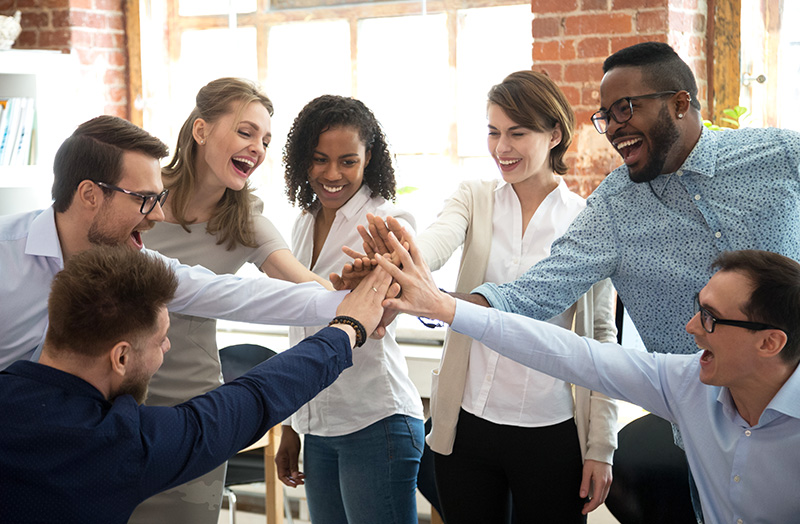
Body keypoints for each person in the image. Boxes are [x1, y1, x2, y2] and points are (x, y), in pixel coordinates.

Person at [358, 41, 800, 521]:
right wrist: (427, 293)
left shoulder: (780, 155)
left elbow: (595, 337)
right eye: (605, 115)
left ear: (679, 102)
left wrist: (599, 445)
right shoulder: (613, 207)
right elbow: (539, 304)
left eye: (625, 109)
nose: (613, 128)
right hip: (706, 420)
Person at [376, 234, 800, 524]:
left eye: (710, 317)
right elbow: (570, 354)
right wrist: (445, 308)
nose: (690, 326)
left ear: (770, 342)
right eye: (698, 307)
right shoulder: (686, 383)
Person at [0, 245, 394, 524]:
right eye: (160, 341)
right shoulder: (116, 444)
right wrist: (348, 329)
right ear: (120, 357)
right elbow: (250, 401)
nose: (167, 348)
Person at [408, 71, 617, 522]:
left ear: (554, 134)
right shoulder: (475, 198)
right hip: (467, 427)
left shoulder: (587, 220)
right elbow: (435, 241)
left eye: (517, 133)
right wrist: (404, 258)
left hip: (551, 430)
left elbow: (602, 337)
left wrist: (601, 446)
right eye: (493, 132)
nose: (502, 148)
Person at [0, 114, 347, 374]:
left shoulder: (131, 263)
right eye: (144, 199)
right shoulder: (5, 253)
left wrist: (347, 305)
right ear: (90, 194)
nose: (159, 216)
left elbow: (235, 295)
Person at [131, 78, 332, 523]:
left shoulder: (246, 221)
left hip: (194, 410)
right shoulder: (141, 197)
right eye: (246, 132)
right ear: (201, 131)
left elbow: (302, 284)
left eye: (265, 140)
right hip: (119, 401)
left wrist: (356, 301)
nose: (257, 148)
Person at [276, 95, 425, 524]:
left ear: (369, 158)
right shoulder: (303, 222)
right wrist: (293, 426)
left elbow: (390, 301)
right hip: (319, 427)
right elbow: (297, 327)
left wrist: (370, 288)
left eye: (347, 161)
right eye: (320, 159)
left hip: (375, 421)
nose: (332, 174)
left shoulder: (389, 220)